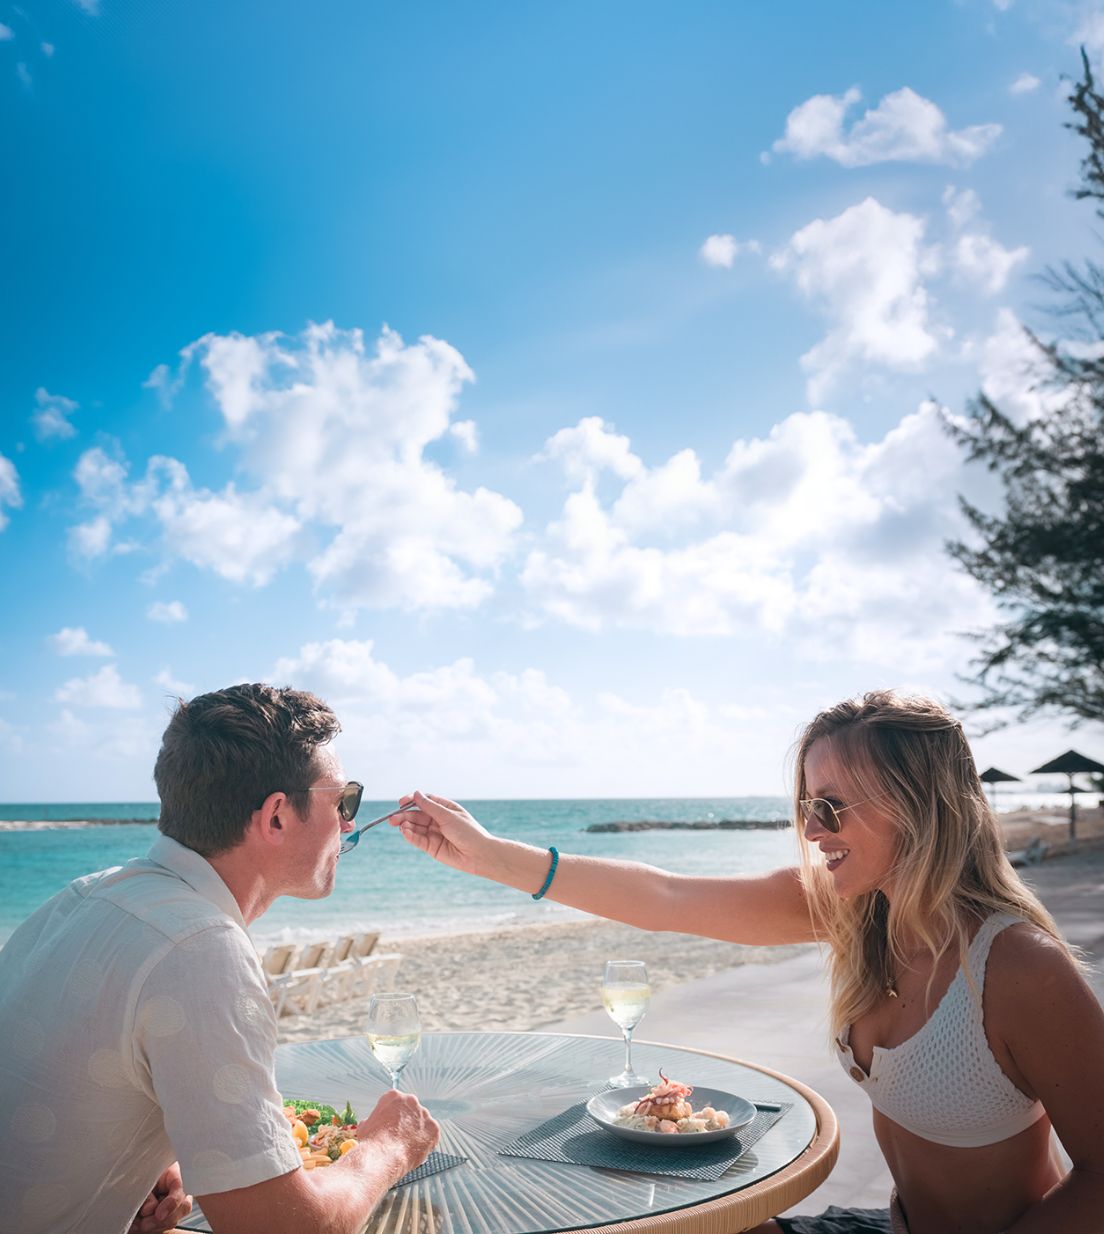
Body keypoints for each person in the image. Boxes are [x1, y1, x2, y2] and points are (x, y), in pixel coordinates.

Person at [390, 691, 1104, 1234]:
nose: (811, 829)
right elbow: (667, 895)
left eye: (831, 806)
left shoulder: (1017, 968)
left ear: (918, 803)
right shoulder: (859, 914)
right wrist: (489, 856)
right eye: (804, 806)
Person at [0, 683, 439, 1234]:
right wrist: (389, 1146)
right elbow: (288, 1230)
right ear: (276, 816)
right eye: (343, 800)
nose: (349, 822)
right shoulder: (199, 951)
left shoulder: (84, 898)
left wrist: (131, 1178)